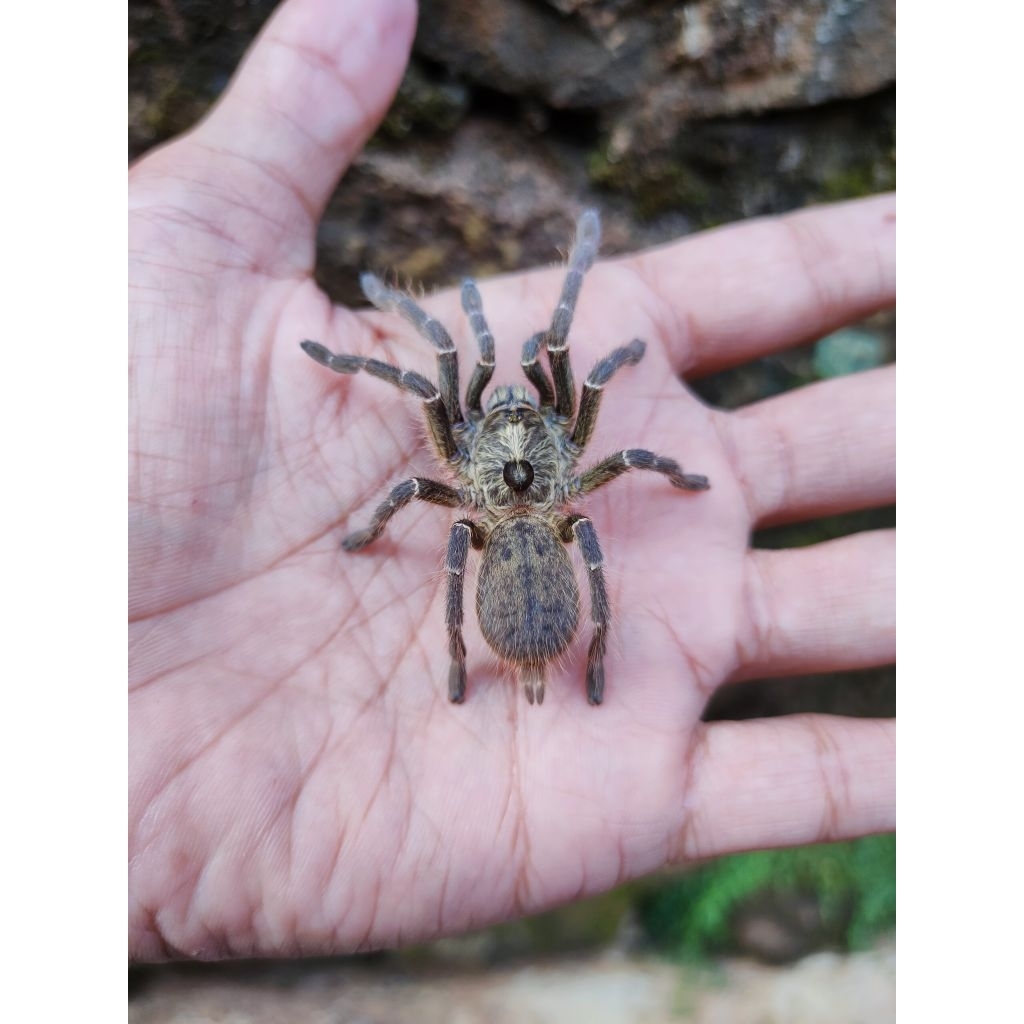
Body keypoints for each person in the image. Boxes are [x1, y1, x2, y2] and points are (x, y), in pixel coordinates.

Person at [128, 0, 895, 960]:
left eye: (515, 408)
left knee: (438, 395)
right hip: (535, 560)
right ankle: (578, 654)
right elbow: (577, 395)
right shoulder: (574, 471)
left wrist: (376, 506)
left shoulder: (458, 485)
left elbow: (437, 385)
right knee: (485, 394)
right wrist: (628, 409)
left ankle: (487, 659)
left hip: (500, 557)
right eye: (514, 407)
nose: (510, 409)